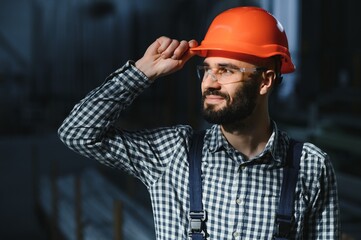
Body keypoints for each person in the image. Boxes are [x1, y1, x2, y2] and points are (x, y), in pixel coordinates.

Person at [58, 6, 340, 239]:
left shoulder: (310, 168)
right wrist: (143, 72)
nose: (209, 83)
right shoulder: (172, 154)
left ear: (265, 80)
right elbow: (77, 133)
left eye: (225, 71)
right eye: (206, 70)